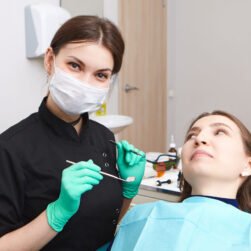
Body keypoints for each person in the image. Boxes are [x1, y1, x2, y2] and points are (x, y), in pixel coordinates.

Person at [0, 16, 146, 250]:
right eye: (75, 66)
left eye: (100, 75)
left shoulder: (104, 138)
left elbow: (107, 222)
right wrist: (57, 213)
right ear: (50, 60)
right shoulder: (11, 149)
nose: (85, 83)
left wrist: (128, 190)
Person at [105, 110, 251, 251]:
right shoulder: (140, 217)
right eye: (191, 135)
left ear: (248, 165)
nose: (199, 139)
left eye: (220, 132)